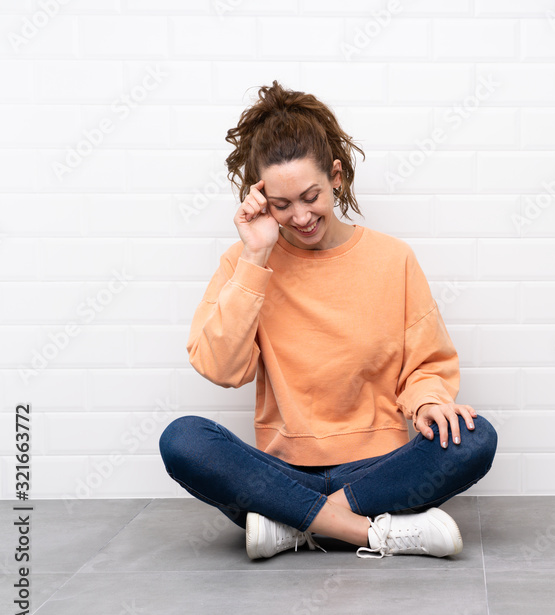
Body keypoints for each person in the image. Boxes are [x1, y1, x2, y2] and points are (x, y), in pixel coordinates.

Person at [158, 80, 498, 561]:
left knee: (476, 437)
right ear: (262, 200)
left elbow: (426, 364)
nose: (300, 217)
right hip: (283, 474)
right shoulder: (245, 262)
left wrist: (427, 402)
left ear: (335, 177)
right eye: (282, 205)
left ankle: (295, 525)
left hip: (376, 472)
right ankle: (369, 532)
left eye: (310, 196)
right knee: (183, 438)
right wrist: (255, 257)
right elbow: (222, 368)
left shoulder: (393, 259)